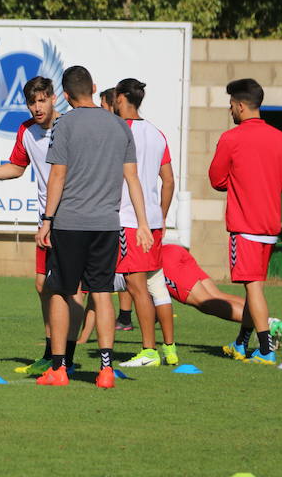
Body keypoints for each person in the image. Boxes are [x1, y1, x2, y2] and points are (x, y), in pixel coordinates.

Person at [35, 65, 153, 388]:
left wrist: (47, 220)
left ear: (66, 95)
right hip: (107, 225)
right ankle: (105, 370)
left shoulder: (64, 125)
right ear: (94, 88)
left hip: (70, 224)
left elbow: (57, 175)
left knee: (61, 291)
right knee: (102, 293)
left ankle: (59, 368)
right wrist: (143, 223)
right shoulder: (119, 126)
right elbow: (132, 178)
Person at [0, 76, 84, 375]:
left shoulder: (70, 125)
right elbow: (17, 168)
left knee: (72, 290)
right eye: (32, 102)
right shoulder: (26, 131)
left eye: (42, 100)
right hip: (47, 221)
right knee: (43, 285)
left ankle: (65, 357)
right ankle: (51, 353)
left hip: (73, 218)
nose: (37, 107)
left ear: (55, 98)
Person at [209, 78, 282, 365]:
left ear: (241, 105)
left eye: (231, 104)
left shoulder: (231, 138)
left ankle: (266, 349)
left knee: (253, 285)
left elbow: (216, 179)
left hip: (245, 224)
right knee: (252, 285)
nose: (230, 110)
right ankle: (242, 343)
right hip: (270, 225)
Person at [112, 78, 179, 368]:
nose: (113, 102)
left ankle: (148, 350)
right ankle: (168, 348)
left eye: (115, 97)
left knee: (134, 284)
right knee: (154, 284)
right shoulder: (157, 133)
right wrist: (160, 215)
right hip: (151, 220)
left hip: (129, 219)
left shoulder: (120, 131)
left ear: (122, 98)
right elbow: (169, 181)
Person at [159, 244, 282, 347]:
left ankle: (266, 324)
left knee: (205, 303)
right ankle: (268, 321)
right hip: (172, 249)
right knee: (216, 295)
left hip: (162, 260)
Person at [100, 86, 135, 331]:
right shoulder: (152, 132)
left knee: (125, 275)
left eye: (103, 106)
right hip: (137, 217)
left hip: (121, 215)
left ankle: (125, 317)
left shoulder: (118, 132)